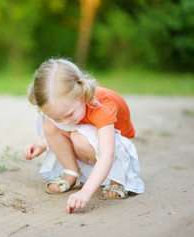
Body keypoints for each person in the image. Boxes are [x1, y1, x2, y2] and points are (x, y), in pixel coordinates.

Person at [23, 58, 144, 214]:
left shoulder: (102, 105)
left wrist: (86, 192)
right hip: (88, 141)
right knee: (49, 122)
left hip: (114, 149)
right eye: (58, 117)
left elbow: (107, 154)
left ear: (82, 93)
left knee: (78, 138)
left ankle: (117, 178)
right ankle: (71, 172)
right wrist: (41, 144)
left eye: (69, 114)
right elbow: (57, 122)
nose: (64, 123)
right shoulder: (66, 109)